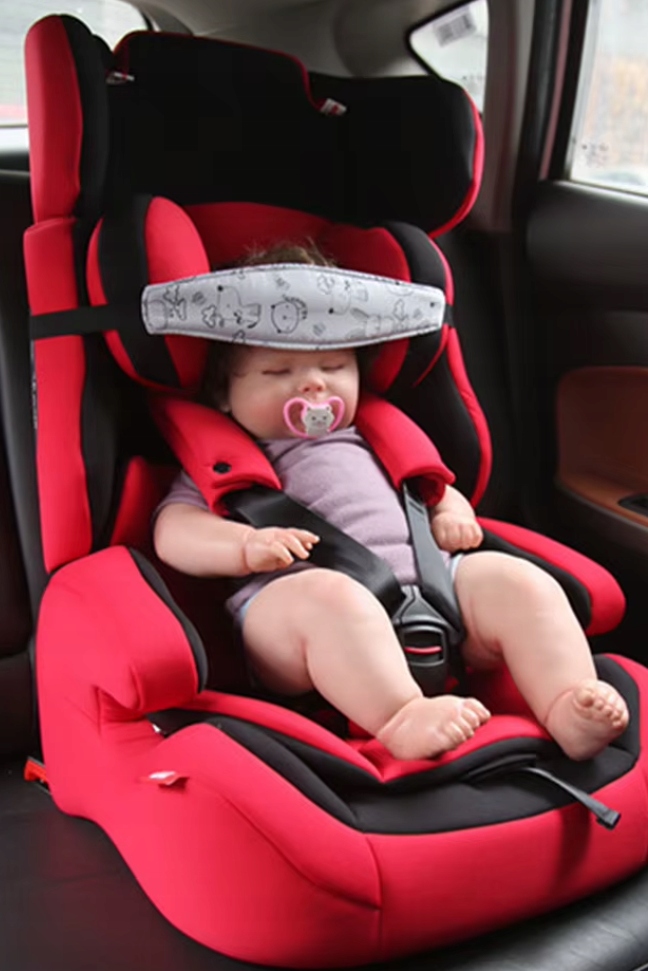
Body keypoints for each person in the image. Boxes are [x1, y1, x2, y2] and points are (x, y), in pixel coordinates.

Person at [153, 244, 629, 762]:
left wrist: (452, 512)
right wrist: (244, 545)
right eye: (278, 371)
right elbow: (173, 529)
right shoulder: (229, 464)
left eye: (334, 365)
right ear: (223, 393)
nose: (313, 383)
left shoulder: (376, 439)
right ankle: (401, 716)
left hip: (432, 591)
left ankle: (567, 700)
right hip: (292, 616)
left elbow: (426, 490)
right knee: (331, 599)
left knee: (518, 582)